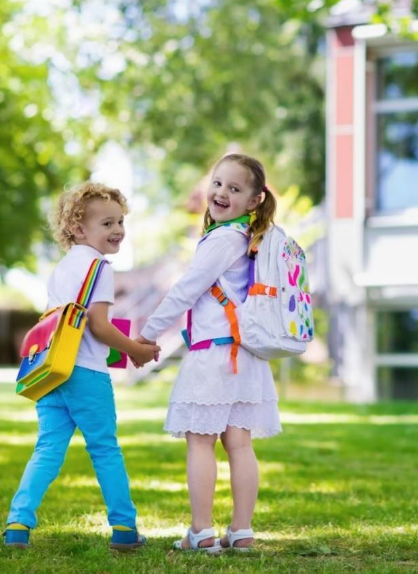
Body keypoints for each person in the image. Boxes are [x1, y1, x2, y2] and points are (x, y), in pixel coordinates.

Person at [137, 154, 281, 553]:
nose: (220, 192)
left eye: (234, 189)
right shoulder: (248, 239)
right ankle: (241, 531)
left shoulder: (222, 239)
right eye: (217, 183)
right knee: (240, 443)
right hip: (244, 355)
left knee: (200, 442)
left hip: (215, 356)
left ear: (254, 201)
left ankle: (201, 532)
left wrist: (147, 335)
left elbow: (186, 289)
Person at [4, 182, 159, 551]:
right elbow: (99, 326)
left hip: (52, 373)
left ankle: (17, 523)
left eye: (120, 221)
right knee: (105, 448)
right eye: (107, 223)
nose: (118, 230)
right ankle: (124, 529)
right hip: (86, 372)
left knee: (47, 448)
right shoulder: (99, 268)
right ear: (77, 228)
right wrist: (135, 351)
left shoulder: (62, 268)